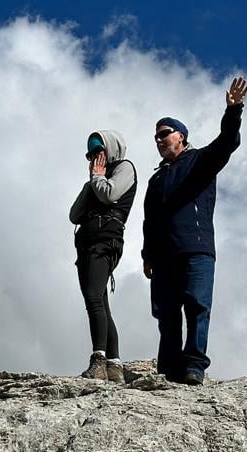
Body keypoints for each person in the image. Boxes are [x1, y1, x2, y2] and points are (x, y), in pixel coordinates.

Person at [142, 77, 247, 385]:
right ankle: (169, 369)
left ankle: (194, 366)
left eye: (165, 134)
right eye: (156, 137)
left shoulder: (201, 160)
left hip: (196, 249)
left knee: (197, 306)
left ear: (182, 137)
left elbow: (228, 141)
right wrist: (147, 255)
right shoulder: (156, 180)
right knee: (166, 314)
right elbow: (150, 220)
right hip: (163, 257)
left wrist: (234, 110)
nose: (159, 140)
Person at [69, 131, 137, 382]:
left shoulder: (125, 168)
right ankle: (114, 365)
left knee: (94, 298)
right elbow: (74, 215)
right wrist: (92, 182)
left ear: (111, 150)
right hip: (87, 244)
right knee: (100, 302)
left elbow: (110, 195)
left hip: (104, 242)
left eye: (99, 151)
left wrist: (98, 179)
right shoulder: (97, 179)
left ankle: (99, 360)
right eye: (91, 154)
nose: (95, 157)